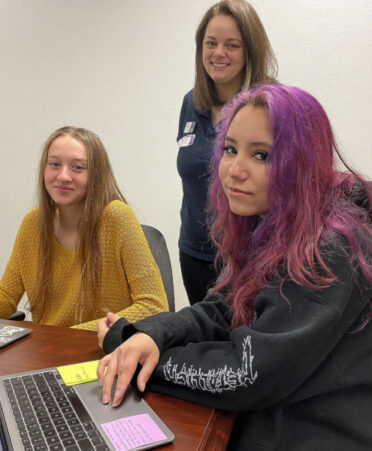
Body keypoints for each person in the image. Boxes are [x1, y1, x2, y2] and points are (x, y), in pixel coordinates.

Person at [98, 84, 372, 450]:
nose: (235, 171)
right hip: (267, 417)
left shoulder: (332, 247)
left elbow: (249, 374)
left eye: (262, 155)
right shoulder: (272, 221)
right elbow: (222, 308)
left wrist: (146, 363)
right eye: (230, 149)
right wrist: (147, 335)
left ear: (302, 163)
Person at [0, 126, 168, 330]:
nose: (63, 176)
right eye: (54, 164)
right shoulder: (33, 223)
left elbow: (154, 306)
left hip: (105, 351)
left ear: (96, 174)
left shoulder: (117, 217)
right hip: (48, 352)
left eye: (78, 167)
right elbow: (7, 297)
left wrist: (71, 336)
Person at [177, 0, 277, 304]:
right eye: (211, 43)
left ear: (249, 51)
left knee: (249, 345)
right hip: (194, 254)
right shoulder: (192, 103)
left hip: (253, 256)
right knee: (204, 342)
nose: (218, 53)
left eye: (231, 45)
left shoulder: (273, 107)